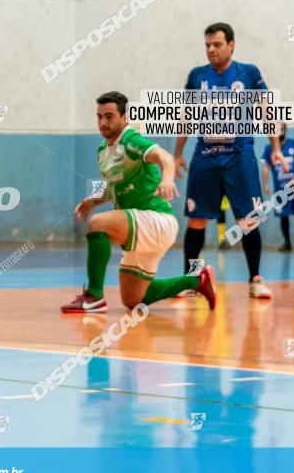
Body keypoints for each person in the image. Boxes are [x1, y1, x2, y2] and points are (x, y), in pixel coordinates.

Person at [62, 91, 216, 313]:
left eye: (109, 116)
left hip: (156, 219)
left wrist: (167, 178)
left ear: (124, 118)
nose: (103, 122)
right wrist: (92, 202)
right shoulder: (103, 151)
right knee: (134, 299)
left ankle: (94, 296)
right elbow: (113, 185)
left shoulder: (131, 140)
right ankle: (196, 281)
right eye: (99, 117)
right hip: (140, 225)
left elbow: (164, 157)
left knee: (98, 224)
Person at [174, 22, 288, 299]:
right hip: (206, 156)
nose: (211, 50)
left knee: (248, 221)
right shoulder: (197, 76)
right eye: (207, 45)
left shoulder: (249, 73)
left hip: (239, 156)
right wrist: (177, 153)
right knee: (197, 221)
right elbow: (186, 116)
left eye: (216, 45)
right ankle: (192, 280)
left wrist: (275, 147)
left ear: (231, 45)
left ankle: (255, 280)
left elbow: (266, 110)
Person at [262, 124, 294, 251]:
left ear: (286, 130)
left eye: (282, 129)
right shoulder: (269, 148)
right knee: (283, 215)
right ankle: (287, 243)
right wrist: (265, 184)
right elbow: (265, 166)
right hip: (280, 189)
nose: (280, 132)